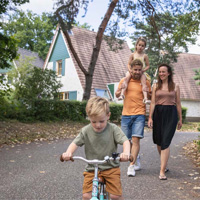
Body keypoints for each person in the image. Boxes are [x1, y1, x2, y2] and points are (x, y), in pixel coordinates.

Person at [61, 97, 130, 200]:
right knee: (86, 196)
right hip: (92, 169)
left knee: (116, 196)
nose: (98, 125)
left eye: (101, 121)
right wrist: (68, 153)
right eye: (94, 122)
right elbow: (75, 143)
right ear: (89, 118)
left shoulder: (113, 129)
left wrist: (126, 153)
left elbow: (125, 141)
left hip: (110, 167)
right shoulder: (85, 131)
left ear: (108, 116)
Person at [115, 59, 151, 177]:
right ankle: (136, 156)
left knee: (136, 140)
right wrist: (120, 90)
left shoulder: (145, 81)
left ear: (142, 70)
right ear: (131, 69)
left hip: (139, 114)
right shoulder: (125, 80)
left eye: (139, 70)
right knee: (127, 141)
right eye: (135, 69)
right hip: (126, 114)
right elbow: (117, 94)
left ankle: (131, 165)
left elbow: (150, 95)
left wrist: (148, 93)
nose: (137, 72)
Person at [148, 63, 182, 180]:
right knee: (158, 141)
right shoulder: (155, 86)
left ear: (169, 73)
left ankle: (162, 171)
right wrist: (150, 117)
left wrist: (180, 119)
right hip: (158, 113)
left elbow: (178, 103)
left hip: (171, 114)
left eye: (164, 72)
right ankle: (164, 163)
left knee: (165, 141)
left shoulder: (175, 86)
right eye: (160, 72)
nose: (161, 73)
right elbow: (152, 102)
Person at [118, 37, 151, 104]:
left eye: (142, 46)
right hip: (132, 71)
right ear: (136, 45)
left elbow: (148, 65)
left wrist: (143, 70)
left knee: (144, 83)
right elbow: (128, 64)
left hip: (141, 72)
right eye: (139, 45)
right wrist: (130, 70)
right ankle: (122, 94)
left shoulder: (144, 56)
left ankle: (145, 98)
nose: (140, 47)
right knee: (126, 79)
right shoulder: (133, 55)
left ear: (144, 47)